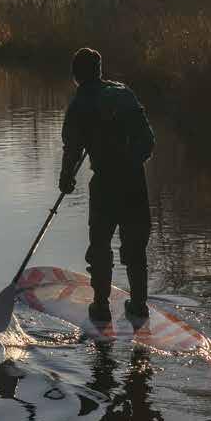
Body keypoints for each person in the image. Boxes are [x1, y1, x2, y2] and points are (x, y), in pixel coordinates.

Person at [58, 48, 155, 324]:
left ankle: (101, 307)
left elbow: (72, 149)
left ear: (76, 76)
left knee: (100, 245)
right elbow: (148, 142)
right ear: (99, 71)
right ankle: (139, 306)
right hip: (135, 182)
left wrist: (66, 178)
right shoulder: (124, 93)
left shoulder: (79, 105)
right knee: (135, 246)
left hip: (105, 184)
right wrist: (130, 164)